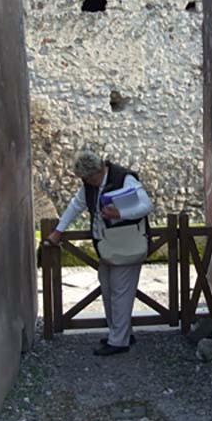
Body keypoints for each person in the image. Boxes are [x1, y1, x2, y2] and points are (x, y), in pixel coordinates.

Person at [47, 149, 152, 355]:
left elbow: (146, 205)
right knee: (109, 290)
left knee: (120, 293)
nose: (86, 182)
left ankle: (119, 341)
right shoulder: (90, 185)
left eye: (87, 178)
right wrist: (59, 231)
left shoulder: (125, 178)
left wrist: (120, 213)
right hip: (107, 244)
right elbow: (76, 206)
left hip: (126, 243)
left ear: (97, 172)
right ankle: (120, 333)